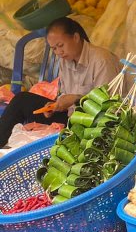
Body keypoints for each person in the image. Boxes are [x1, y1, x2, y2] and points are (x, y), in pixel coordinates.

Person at [0, 17, 121, 148]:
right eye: (54, 49)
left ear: (75, 37)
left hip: (94, 123)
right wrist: (55, 105)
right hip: (72, 117)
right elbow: (63, 93)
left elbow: (109, 105)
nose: (59, 52)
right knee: (22, 100)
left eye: (60, 45)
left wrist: (76, 99)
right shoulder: (65, 60)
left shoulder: (101, 60)